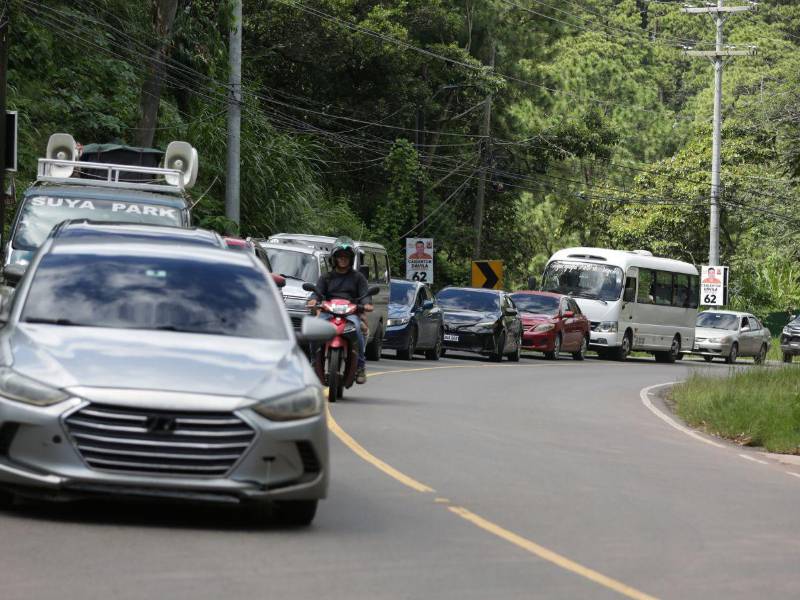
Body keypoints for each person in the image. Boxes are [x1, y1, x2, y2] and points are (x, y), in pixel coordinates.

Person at [309, 237, 373, 384]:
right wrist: (313, 300)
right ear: (334, 258)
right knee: (314, 330)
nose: (343, 259)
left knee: (358, 329)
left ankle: (360, 367)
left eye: (346, 257)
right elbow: (317, 293)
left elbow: (365, 296)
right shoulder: (326, 277)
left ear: (351, 259)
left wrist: (366, 304)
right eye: (340, 256)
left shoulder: (358, 278)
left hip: (351, 313)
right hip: (328, 312)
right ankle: (313, 363)